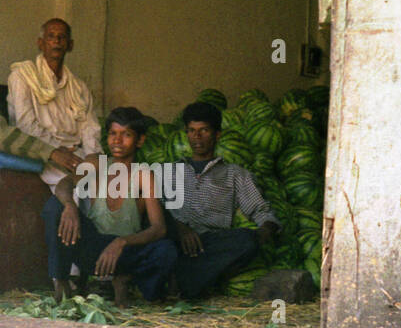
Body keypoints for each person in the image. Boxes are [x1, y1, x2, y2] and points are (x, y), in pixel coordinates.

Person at [44, 107, 176, 304]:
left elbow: (159, 228)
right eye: (113, 133)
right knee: (56, 206)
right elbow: (64, 184)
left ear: (139, 140)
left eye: (126, 135)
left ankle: (126, 282)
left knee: (166, 249)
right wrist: (70, 206)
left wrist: (121, 242)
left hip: (125, 254)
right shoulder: (96, 163)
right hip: (93, 250)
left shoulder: (143, 175)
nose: (117, 140)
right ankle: (61, 281)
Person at [171, 101, 281, 298]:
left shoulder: (235, 174)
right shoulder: (170, 171)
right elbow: (156, 211)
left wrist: (264, 232)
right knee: (158, 242)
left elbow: (261, 211)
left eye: (204, 130)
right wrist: (181, 228)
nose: (196, 137)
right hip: (175, 240)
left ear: (217, 134)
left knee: (246, 240)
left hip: (211, 246)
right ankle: (197, 281)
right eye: (191, 130)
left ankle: (186, 282)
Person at [7, 19, 103, 190]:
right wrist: (57, 151)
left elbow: (89, 125)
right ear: (41, 43)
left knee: (113, 178)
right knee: (81, 190)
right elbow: (25, 125)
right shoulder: (22, 77)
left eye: (62, 37)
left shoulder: (78, 86)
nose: (57, 41)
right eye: (51, 36)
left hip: (75, 152)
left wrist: (92, 154)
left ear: (70, 45)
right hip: (41, 152)